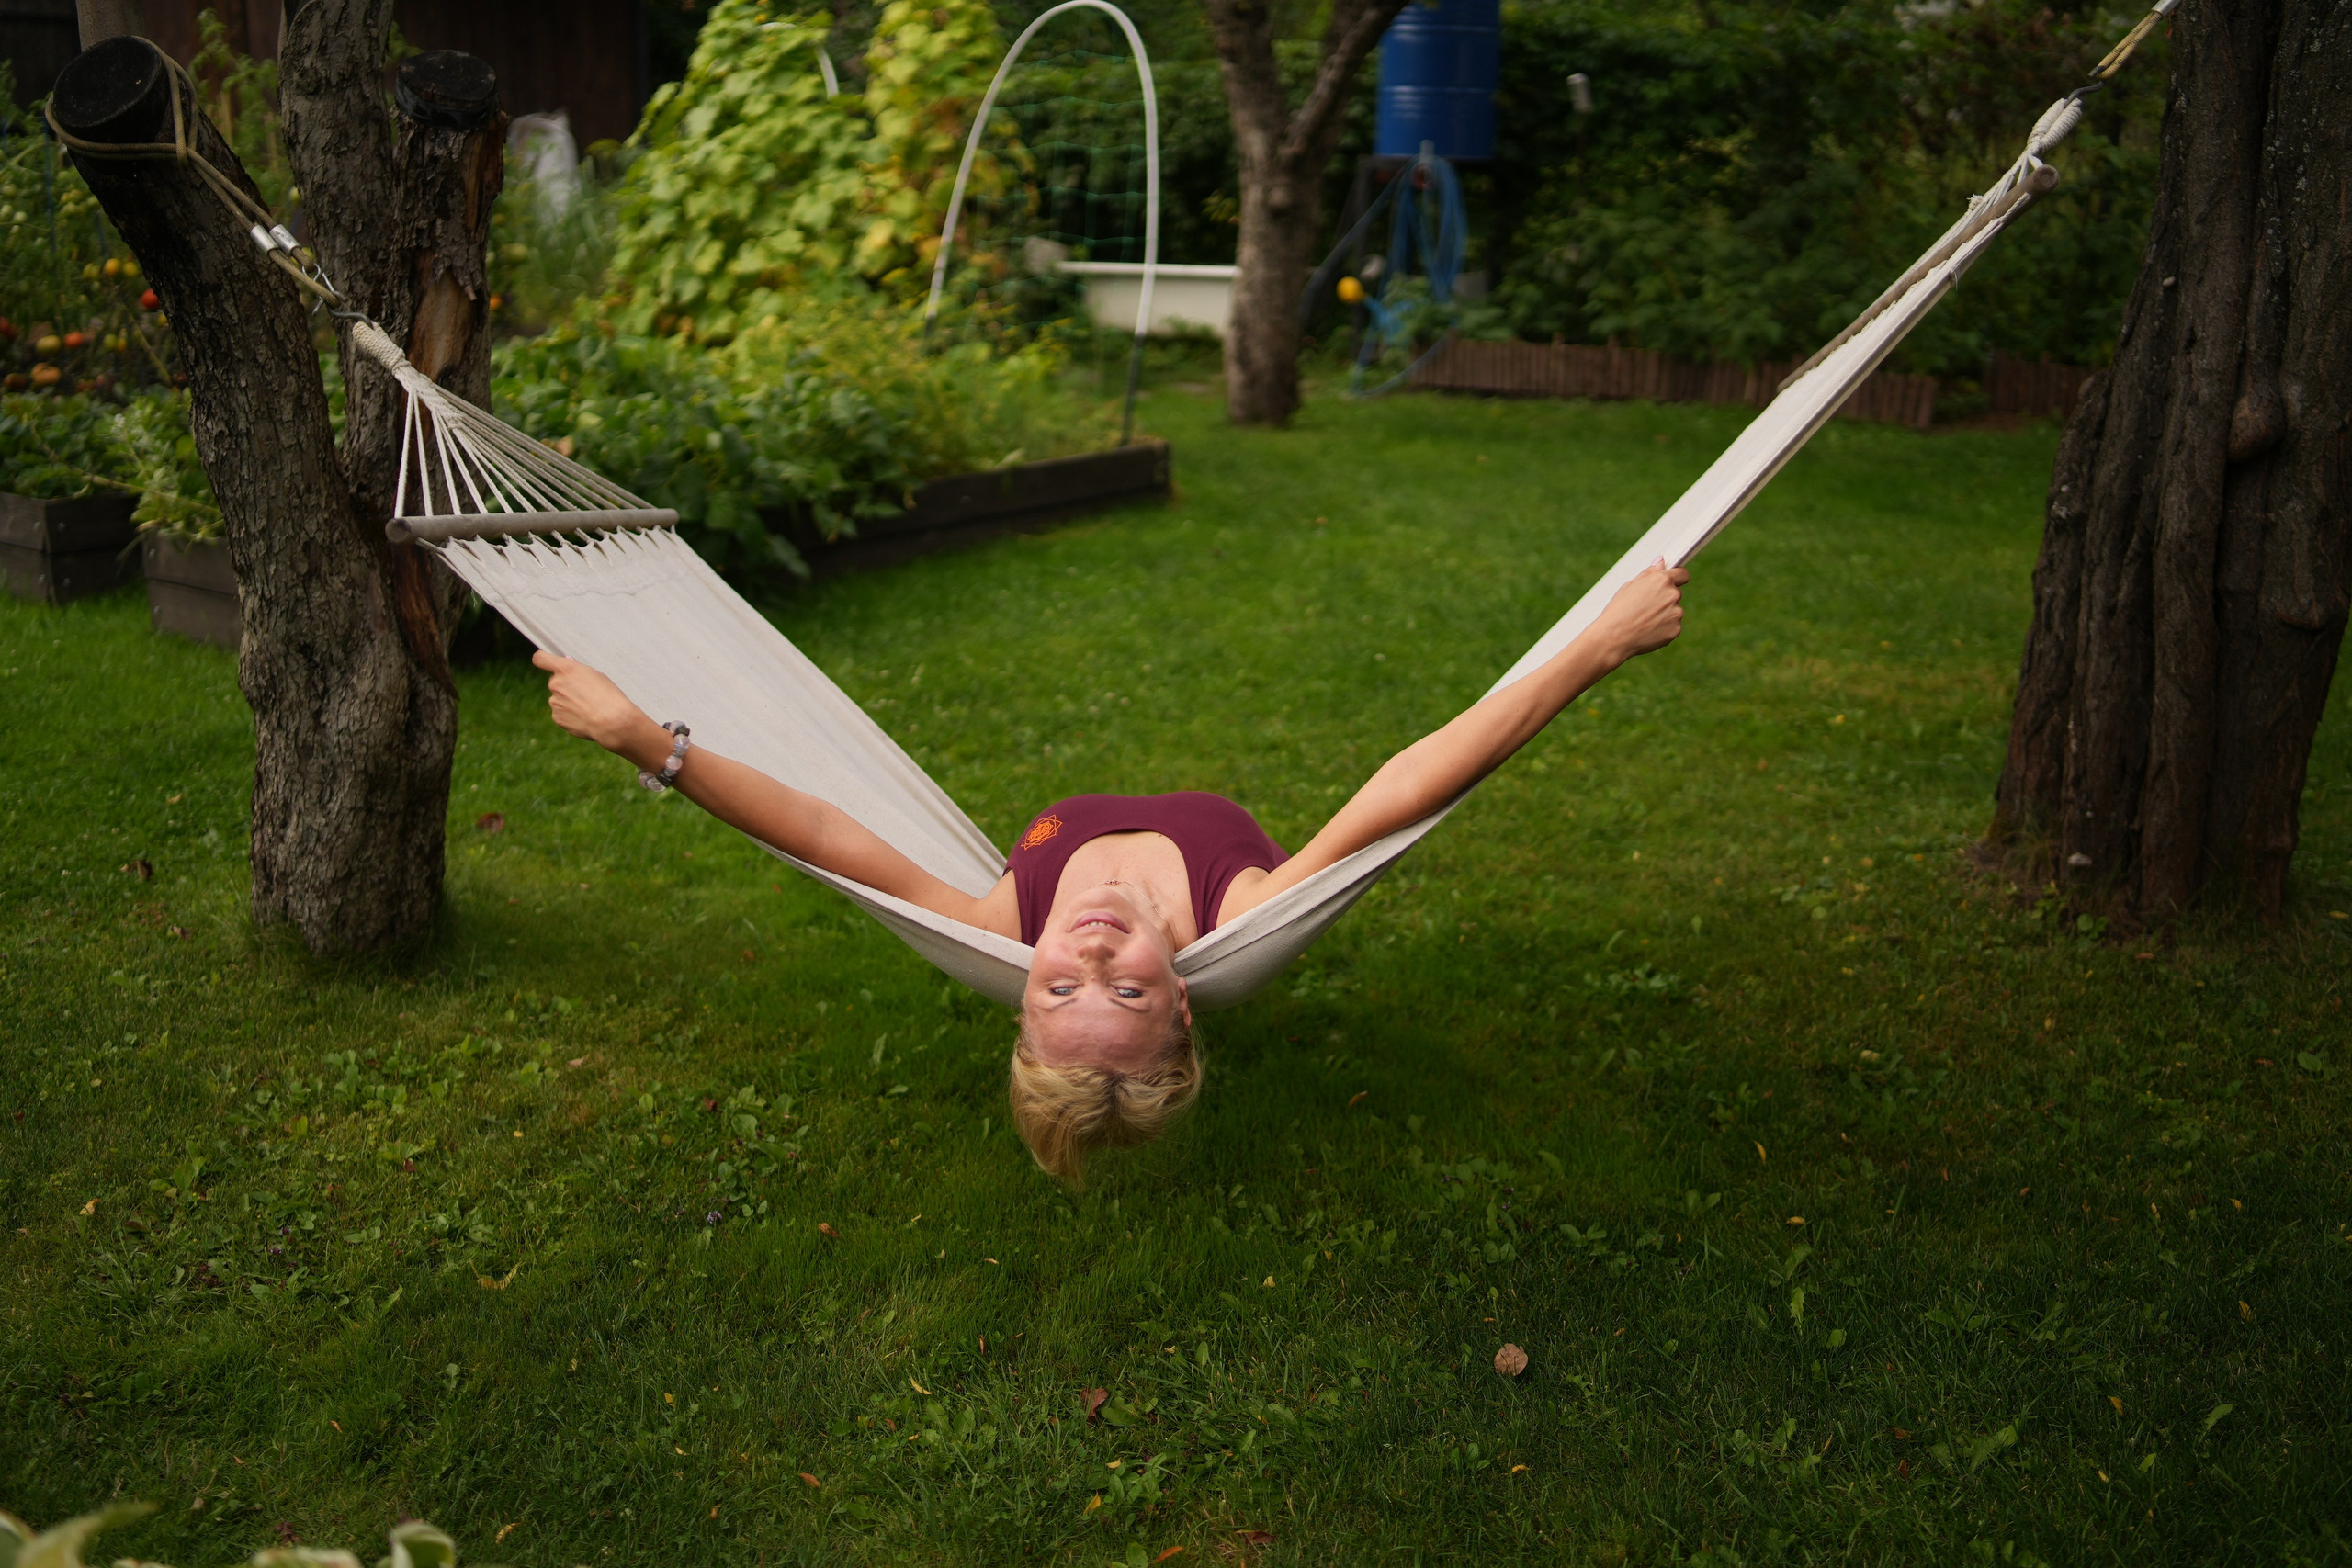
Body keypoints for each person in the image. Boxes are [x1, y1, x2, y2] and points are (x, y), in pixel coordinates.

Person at [533, 561, 1691, 1181]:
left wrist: (653, 744)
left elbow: (834, 841)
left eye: (1056, 994)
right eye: (1125, 993)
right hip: (1216, 868)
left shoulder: (1006, 919)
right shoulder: (1238, 914)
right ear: (1184, 998)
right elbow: (1407, 786)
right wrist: (1594, 645)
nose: (1084, 955)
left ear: (1018, 991)